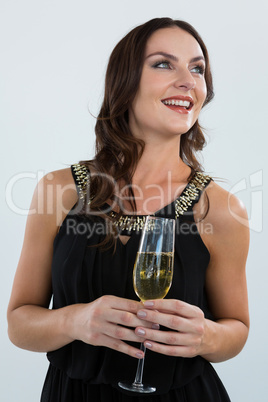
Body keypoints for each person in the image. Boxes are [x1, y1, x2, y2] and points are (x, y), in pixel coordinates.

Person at [7, 17, 250, 401]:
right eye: (163, 63)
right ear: (125, 81)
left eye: (198, 68)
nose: (188, 80)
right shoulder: (60, 191)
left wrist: (210, 336)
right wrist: (75, 320)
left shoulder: (219, 209)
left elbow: (236, 329)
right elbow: (19, 324)